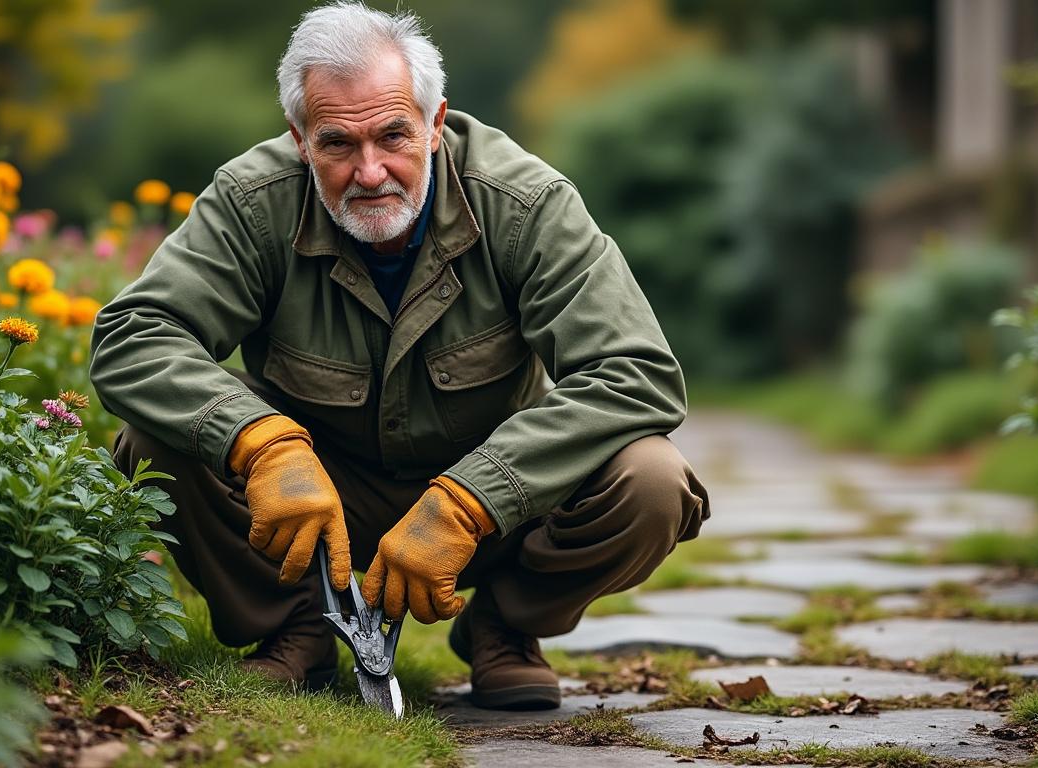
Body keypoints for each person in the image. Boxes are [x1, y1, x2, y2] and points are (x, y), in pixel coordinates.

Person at [91, 0, 708, 711]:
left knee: (654, 481)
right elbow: (134, 335)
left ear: (436, 123)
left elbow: (637, 375)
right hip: (312, 508)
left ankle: (503, 628)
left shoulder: (526, 202)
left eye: (393, 135)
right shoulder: (251, 201)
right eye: (337, 144)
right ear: (300, 140)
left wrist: (471, 501)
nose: (371, 171)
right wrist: (261, 444)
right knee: (154, 443)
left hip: (500, 513)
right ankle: (295, 625)